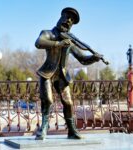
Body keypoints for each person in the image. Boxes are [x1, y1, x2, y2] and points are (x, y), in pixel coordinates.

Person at [35, 7, 101, 140]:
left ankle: (71, 130)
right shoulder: (48, 33)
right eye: (67, 18)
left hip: (62, 75)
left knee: (69, 103)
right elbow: (39, 42)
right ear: (60, 18)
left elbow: (82, 58)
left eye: (72, 21)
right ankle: (43, 128)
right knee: (47, 100)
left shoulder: (70, 41)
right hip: (47, 72)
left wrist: (94, 57)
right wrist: (58, 44)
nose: (69, 21)